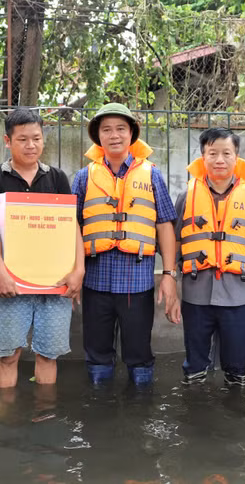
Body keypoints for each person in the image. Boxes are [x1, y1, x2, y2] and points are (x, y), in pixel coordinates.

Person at [71, 103, 179, 387]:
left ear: (132, 134)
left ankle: (141, 405)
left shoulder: (152, 174)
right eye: (106, 130)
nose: (114, 135)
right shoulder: (83, 177)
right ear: (98, 136)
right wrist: (73, 274)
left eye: (121, 128)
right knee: (97, 355)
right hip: (94, 281)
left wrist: (169, 275)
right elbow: (71, 227)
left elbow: (165, 225)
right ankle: (99, 400)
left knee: (139, 355)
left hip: (137, 282)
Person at [0, 108, 85, 388]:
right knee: (8, 355)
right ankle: (6, 411)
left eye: (36, 138)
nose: (31, 145)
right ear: (8, 141)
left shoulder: (57, 178)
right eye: (23, 139)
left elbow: (71, 227)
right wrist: (0, 273)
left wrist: (79, 270)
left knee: (48, 355)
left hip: (55, 284)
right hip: (11, 282)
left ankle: (45, 410)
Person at [175, 128, 245, 387]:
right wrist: (172, 289)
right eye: (213, 153)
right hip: (196, 295)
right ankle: (195, 406)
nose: (220, 159)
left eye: (226, 153)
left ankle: (236, 407)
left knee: (237, 368)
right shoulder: (187, 197)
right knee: (194, 368)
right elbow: (175, 246)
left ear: (236, 157)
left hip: (238, 296)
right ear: (203, 157)